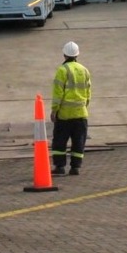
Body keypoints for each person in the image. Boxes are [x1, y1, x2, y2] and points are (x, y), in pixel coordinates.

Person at [50, 41, 92, 176]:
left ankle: (60, 167)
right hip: (81, 114)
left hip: (65, 115)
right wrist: (84, 106)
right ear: (77, 55)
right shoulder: (84, 70)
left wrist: (54, 110)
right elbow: (88, 93)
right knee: (79, 142)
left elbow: (58, 93)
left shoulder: (62, 70)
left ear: (64, 54)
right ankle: (75, 168)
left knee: (59, 141)